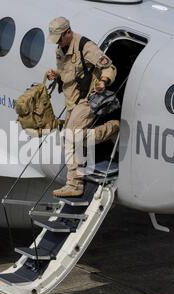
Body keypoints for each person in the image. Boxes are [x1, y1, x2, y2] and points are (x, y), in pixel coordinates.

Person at [46, 17, 120, 198]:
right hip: (72, 100)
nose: (57, 43)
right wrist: (55, 74)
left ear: (68, 33)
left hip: (87, 99)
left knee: (72, 136)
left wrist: (103, 81)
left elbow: (110, 68)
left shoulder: (86, 47)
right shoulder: (60, 49)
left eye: (59, 38)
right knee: (72, 139)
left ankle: (75, 184)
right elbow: (67, 74)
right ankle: (111, 129)